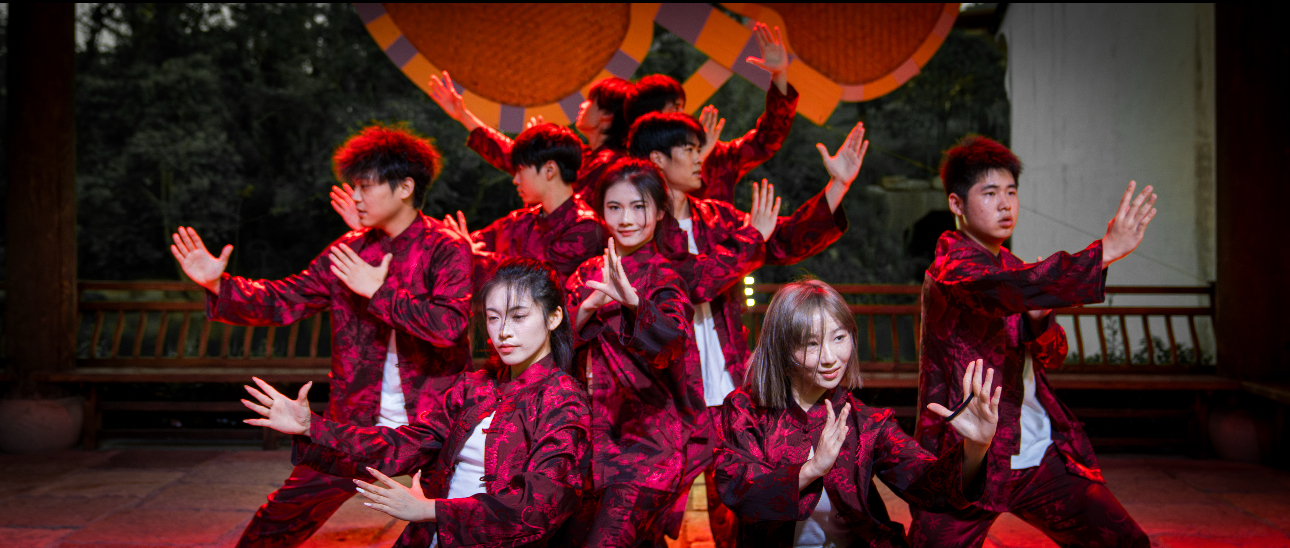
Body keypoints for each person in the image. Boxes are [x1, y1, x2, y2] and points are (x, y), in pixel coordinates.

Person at [170, 124, 474, 548]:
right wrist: (219, 285)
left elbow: (449, 327)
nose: (356, 197)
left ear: (405, 187)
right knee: (282, 517)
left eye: (366, 186)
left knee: (454, 527)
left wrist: (380, 292)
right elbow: (284, 299)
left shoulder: (445, 247)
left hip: (434, 423)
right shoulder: (349, 250)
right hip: (355, 421)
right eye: (354, 187)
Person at [626, 111, 867, 544]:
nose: (700, 158)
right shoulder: (642, 227)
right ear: (657, 160)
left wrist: (836, 187)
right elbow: (690, 283)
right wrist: (749, 241)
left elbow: (781, 241)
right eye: (689, 149)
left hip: (730, 389)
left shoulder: (717, 218)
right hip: (671, 400)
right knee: (646, 515)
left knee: (742, 511)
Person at [908, 135, 1156, 548]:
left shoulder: (1017, 270)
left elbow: (1054, 355)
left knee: (1123, 541)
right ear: (956, 204)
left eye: (1011, 192)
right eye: (990, 193)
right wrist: (1103, 252)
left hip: (1036, 454)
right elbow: (999, 288)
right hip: (967, 458)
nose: (1006, 204)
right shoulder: (951, 267)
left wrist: (1040, 322)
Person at [242, 258, 591, 548]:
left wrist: (431, 511)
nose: (502, 332)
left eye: (518, 316)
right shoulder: (475, 387)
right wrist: (312, 427)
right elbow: (403, 445)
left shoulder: (563, 401)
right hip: (432, 535)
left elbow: (542, 506)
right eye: (493, 316)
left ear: (554, 317)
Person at [714, 279, 1003, 547]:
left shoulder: (865, 422)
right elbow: (739, 490)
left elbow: (926, 484)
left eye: (839, 338)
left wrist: (976, 447)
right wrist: (812, 469)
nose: (830, 358)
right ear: (781, 349)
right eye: (811, 344)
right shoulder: (746, 410)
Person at [563, 158, 702, 547]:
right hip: (584, 444)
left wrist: (636, 304)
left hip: (645, 444)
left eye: (638, 207)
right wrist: (585, 310)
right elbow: (550, 345)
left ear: (658, 212)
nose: (626, 219)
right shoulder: (585, 274)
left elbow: (673, 344)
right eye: (614, 207)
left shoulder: (665, 277)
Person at [331, 123, 604, 283]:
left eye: (520, 170)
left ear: (550, 170)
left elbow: (539, 281)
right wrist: (377, 229)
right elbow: (446, 249)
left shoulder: (584, 227)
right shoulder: (521, 221)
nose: (515, 179)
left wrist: (470, 253)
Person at [624, 23, 799, 205]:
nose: (682, 115)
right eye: (674, 109)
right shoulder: (630, 173)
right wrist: (700, 156)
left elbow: (765, 142)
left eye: (682, 107)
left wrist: (779, 74)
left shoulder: (717, 157)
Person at [427, 72, 632, 199]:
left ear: (606, 116)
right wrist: (463, 115)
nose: (583, 105)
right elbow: (515, 157)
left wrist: (541, 151)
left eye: (591, 101)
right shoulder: (588, 156)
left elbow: (566, 205)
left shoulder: (608, 163)